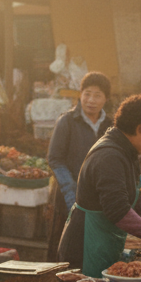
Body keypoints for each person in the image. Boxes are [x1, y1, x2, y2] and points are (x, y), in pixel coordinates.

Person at [57, 94, 141, 276]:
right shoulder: (109, 156)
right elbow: (118, 210)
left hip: (101, 242)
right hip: (85, 248)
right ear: (139, 129)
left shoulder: (124, 150)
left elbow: (132, 197)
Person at [46, 72, 110, 260]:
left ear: (105, 99)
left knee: (94, 249)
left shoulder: (110, 125)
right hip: (68, 196)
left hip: (99, 197)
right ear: (80, 95)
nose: (91, 100)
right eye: (87, 94)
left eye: (97, 95)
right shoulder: (67, 121)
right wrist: (71, 192)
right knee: (65, 249)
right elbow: (55, 159)